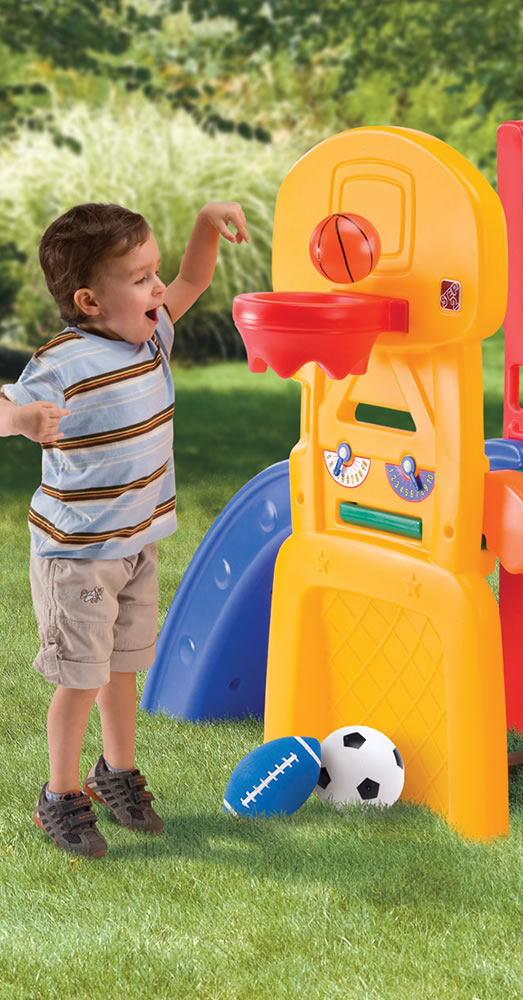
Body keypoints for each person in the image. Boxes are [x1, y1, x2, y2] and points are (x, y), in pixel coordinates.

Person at [0, 200, 249, 855]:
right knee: (81, 675)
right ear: (89, 300)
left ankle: (115, 771)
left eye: (154, 272)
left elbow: (193, 280)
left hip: (136, 542)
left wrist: (202, 223)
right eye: (140, 279)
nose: (160, 289)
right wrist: (24, 421)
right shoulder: (61, 364)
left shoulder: (153, 336)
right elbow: (2, 406)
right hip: (78, 554)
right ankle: (58, 796)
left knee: (122, 668)